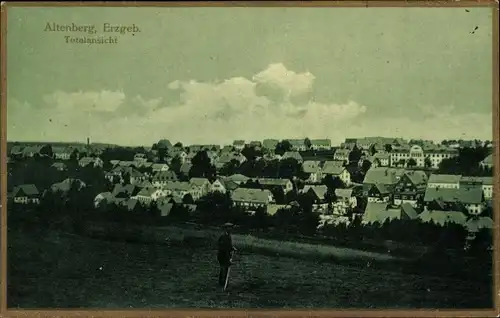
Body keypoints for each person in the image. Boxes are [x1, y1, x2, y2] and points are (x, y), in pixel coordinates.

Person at [217, 223, 237, 291]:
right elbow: (223, 248)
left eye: (231, 227)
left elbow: (228, 245)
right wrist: (228, 259)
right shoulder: (224, 236)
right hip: (222, 255)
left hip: (226, 254)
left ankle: (224, 282)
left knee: (225, 268)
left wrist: (232, 248)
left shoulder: (228, 235)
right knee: (223, 268)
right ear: (225, 228)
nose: (231, 229)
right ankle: (222, 283)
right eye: (229, 227)